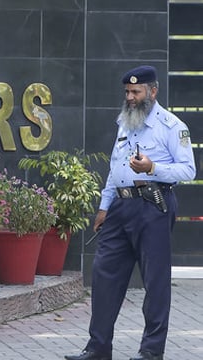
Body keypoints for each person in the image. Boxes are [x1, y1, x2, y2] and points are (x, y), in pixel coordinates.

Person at [65, 65, 196, 360]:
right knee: (103, 274)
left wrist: (153, 168)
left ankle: (151, 351)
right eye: (127, 91)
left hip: (153, 205)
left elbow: (189, 170)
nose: (131, 97)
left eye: (136, 91)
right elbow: (115, 167)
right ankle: (98, 348)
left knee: (155, 281)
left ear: (153, 91)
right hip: (120, 208)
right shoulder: (125, 122)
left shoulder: (173, 126)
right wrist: (103, 206)